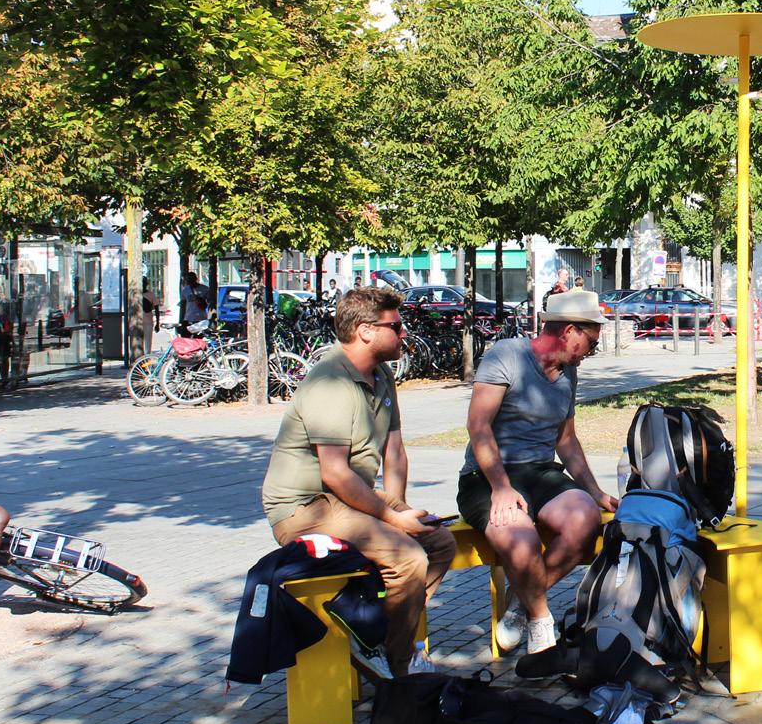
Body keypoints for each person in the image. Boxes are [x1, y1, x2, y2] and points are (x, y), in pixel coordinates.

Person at [262, 287, 456, 679]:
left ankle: (370, 628)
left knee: (439, 542)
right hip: (305, 507)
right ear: (366, 331)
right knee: (408, 557)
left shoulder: (382, 374)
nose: (403, 333)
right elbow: (334, 472)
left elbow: (395, 451)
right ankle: (399, 667)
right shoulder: (330, 383)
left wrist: (399, 511)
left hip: (347, 498)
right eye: (395, 326)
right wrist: (394, 521)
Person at [457, 290, 617, 656]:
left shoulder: (569, 372)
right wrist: (500, 487)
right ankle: (542, 624)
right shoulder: (507, 355)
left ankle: (521, 603)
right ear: (569, 331)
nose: (591, 351)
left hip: (540, 472)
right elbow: (478, 426)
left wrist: (594, 492)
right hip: (487, 475)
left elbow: (566, 440)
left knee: (585, 519)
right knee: (521, 538)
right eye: (591, 342)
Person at [142, 277, 161, 353]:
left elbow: (157, 309)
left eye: (144, 283)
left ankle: (147, 358)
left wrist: (157, 323)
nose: (143, 285)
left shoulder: (151, 294)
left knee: (147, 343)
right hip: (137, 323)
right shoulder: (135, 295)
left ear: (146, 284)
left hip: (148, 322)